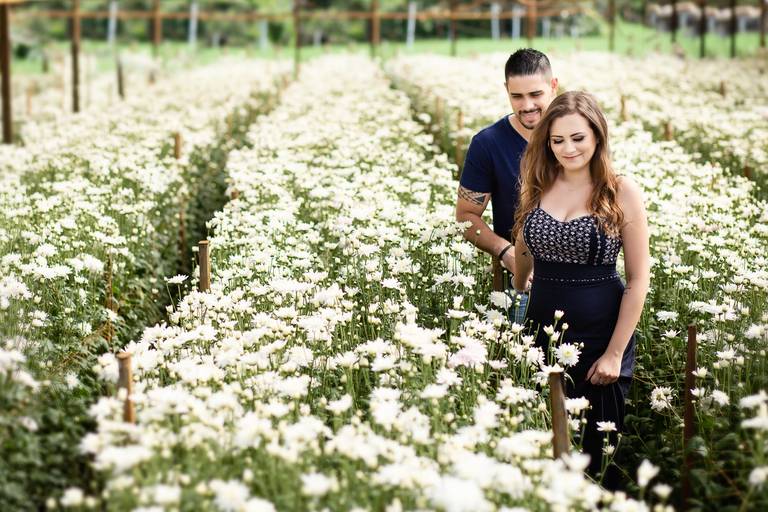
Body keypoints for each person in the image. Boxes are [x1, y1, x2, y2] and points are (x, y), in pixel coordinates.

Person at [511, 91, 650, 489]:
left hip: (600, 340)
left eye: (578, 138)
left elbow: (639, 279)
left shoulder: (621, 191)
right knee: (541, 447)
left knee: (595, 456)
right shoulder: (538, 183)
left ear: (597, 137)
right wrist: (521, 285)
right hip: (541, 333)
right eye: (557, 141)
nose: (568, 149)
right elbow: (523, 242)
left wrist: (615, 353)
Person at [455, 49, 558, 322]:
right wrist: (505, 251)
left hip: (578, 276)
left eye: (536, 94)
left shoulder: (575, 138)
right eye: (517, 96)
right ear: (506, 91)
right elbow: (466, 217)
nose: (527, 105)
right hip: (523, 281)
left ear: (553, 87)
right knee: (523, 359)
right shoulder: (487, 144)